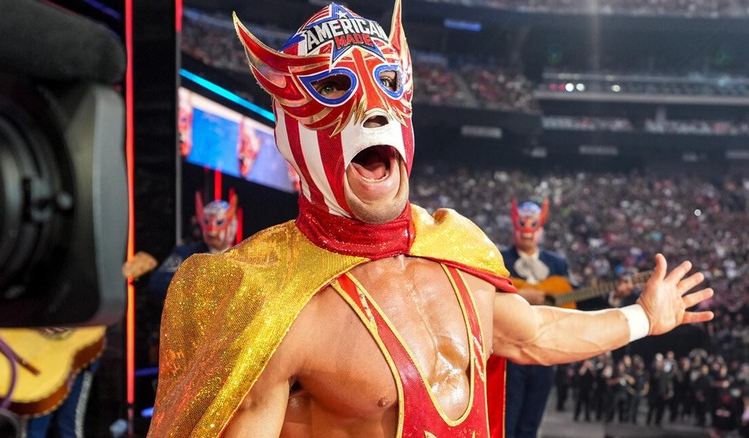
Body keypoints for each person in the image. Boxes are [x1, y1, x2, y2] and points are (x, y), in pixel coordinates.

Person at [146, 2, 714, 437]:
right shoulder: (267, 298)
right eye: (336, 88)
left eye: (388, 84)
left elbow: (537, 335)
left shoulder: (456, 245)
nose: (372, 107)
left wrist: (642, 318)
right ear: (290, 142)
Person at [500, 199, 633, 437]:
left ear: (540, 231)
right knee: (505, 422)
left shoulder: (557, 263)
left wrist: (613, 294)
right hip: (508, 352)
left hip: (545, 350)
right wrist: (523, 294)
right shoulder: (499, 259)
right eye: (522, 229)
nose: (527, 235)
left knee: (531, 421)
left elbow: (576, 296)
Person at [146, 191, 241, 301]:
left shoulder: (242, 259)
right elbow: (158, 284)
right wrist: (192, 284)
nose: (212, 232)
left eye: (219, 223)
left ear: (234, 226)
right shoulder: (186, 254)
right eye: (206, 222)